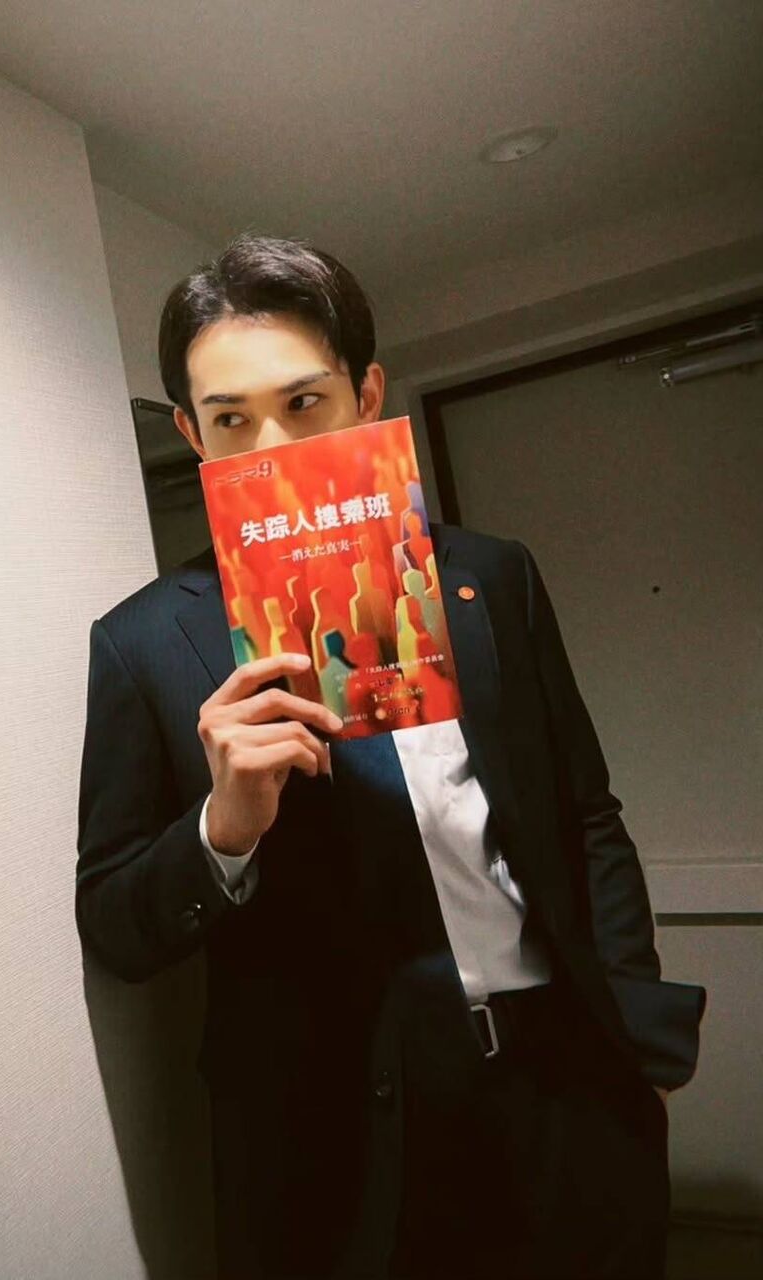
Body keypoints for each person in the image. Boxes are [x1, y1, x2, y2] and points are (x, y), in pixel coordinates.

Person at [74, 234, 705, 1279]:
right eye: (231, 420)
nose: (273, 446)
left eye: (304, 402)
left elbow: (584, 808)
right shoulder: (144, 642)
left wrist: (631, 1018)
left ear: (366, 396)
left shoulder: (490, 577)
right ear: (190, 433)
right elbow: (111, 919)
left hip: (562, 1078)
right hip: (338, 1145)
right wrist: (222, 828)